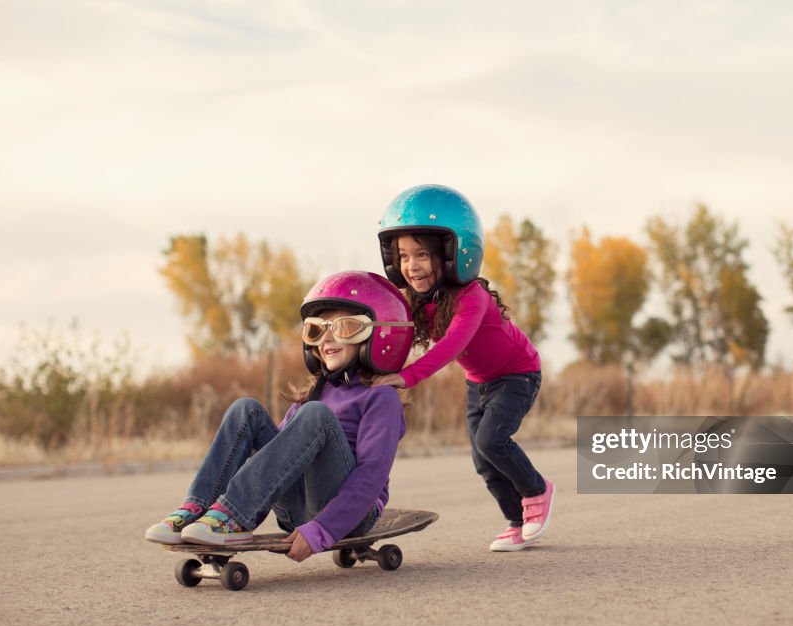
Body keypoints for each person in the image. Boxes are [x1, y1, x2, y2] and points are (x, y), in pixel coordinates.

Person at [144, 271, 414, 562]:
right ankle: (199, 508)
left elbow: (371, 476)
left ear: (380, 333)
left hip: (354, 514)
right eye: (316, 330)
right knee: (245, 410)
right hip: (296, 509)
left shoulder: (379, 397)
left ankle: (232, 515)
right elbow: (277, 458)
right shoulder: (315, 393)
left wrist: (322, 530)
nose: (326, 339)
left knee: (316, 415)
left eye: (344, 327)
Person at [372, 184, 556, 552]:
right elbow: (393, 333)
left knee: (492, 440)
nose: (411, 266)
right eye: (404, 256)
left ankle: (538, 490)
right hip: (479, 383)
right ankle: (516, 523)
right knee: (483, 461)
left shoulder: (473, 297)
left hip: (517, 374)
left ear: (454, 253)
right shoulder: (419, 300)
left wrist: (407, 377)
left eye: (421, 255)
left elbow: (451, 345)